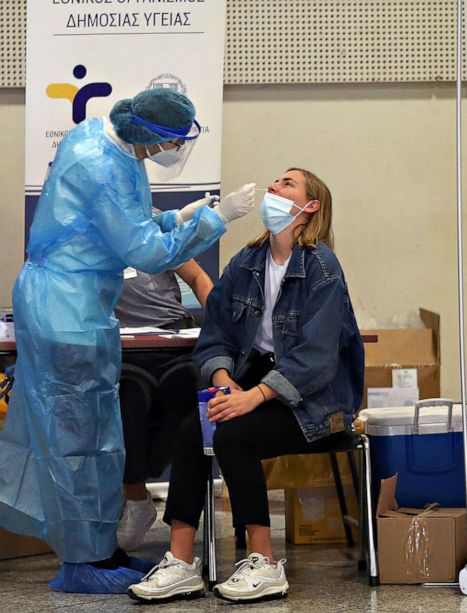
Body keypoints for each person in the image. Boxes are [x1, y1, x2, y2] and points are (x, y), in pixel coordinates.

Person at [0, 87, 256, 594]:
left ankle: (102, 549)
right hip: (63, 310)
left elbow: (126, 222)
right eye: (173, 141)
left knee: (99, 437)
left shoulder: (109, 140)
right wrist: (217, 219)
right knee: (73, 440)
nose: (175, 150)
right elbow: (144, 250)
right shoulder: (100, 162)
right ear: (149, 132)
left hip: (82, 304)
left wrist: (177, 217)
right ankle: (82, 562)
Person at [129, 168, 364, 604]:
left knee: (234, 436)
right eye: (275, 181)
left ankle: (265, 560)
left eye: (287, 184)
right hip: (253, 385)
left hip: (317, 403)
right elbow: (216, 331)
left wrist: (251, 396)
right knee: (192, 431)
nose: (273, 187)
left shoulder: (322, 267)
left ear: (310, 207)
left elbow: (316, 358)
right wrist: (223, 383)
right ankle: (181, 561)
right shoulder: (248, 261)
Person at [115, 238, 214, 552]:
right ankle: (135, 497)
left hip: (174, 339)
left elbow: (197, 277)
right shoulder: (90, 229)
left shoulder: (157, 225)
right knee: (127, 401)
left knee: (186, 396)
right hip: (123, 347)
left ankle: (177, 521)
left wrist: (219, 324)